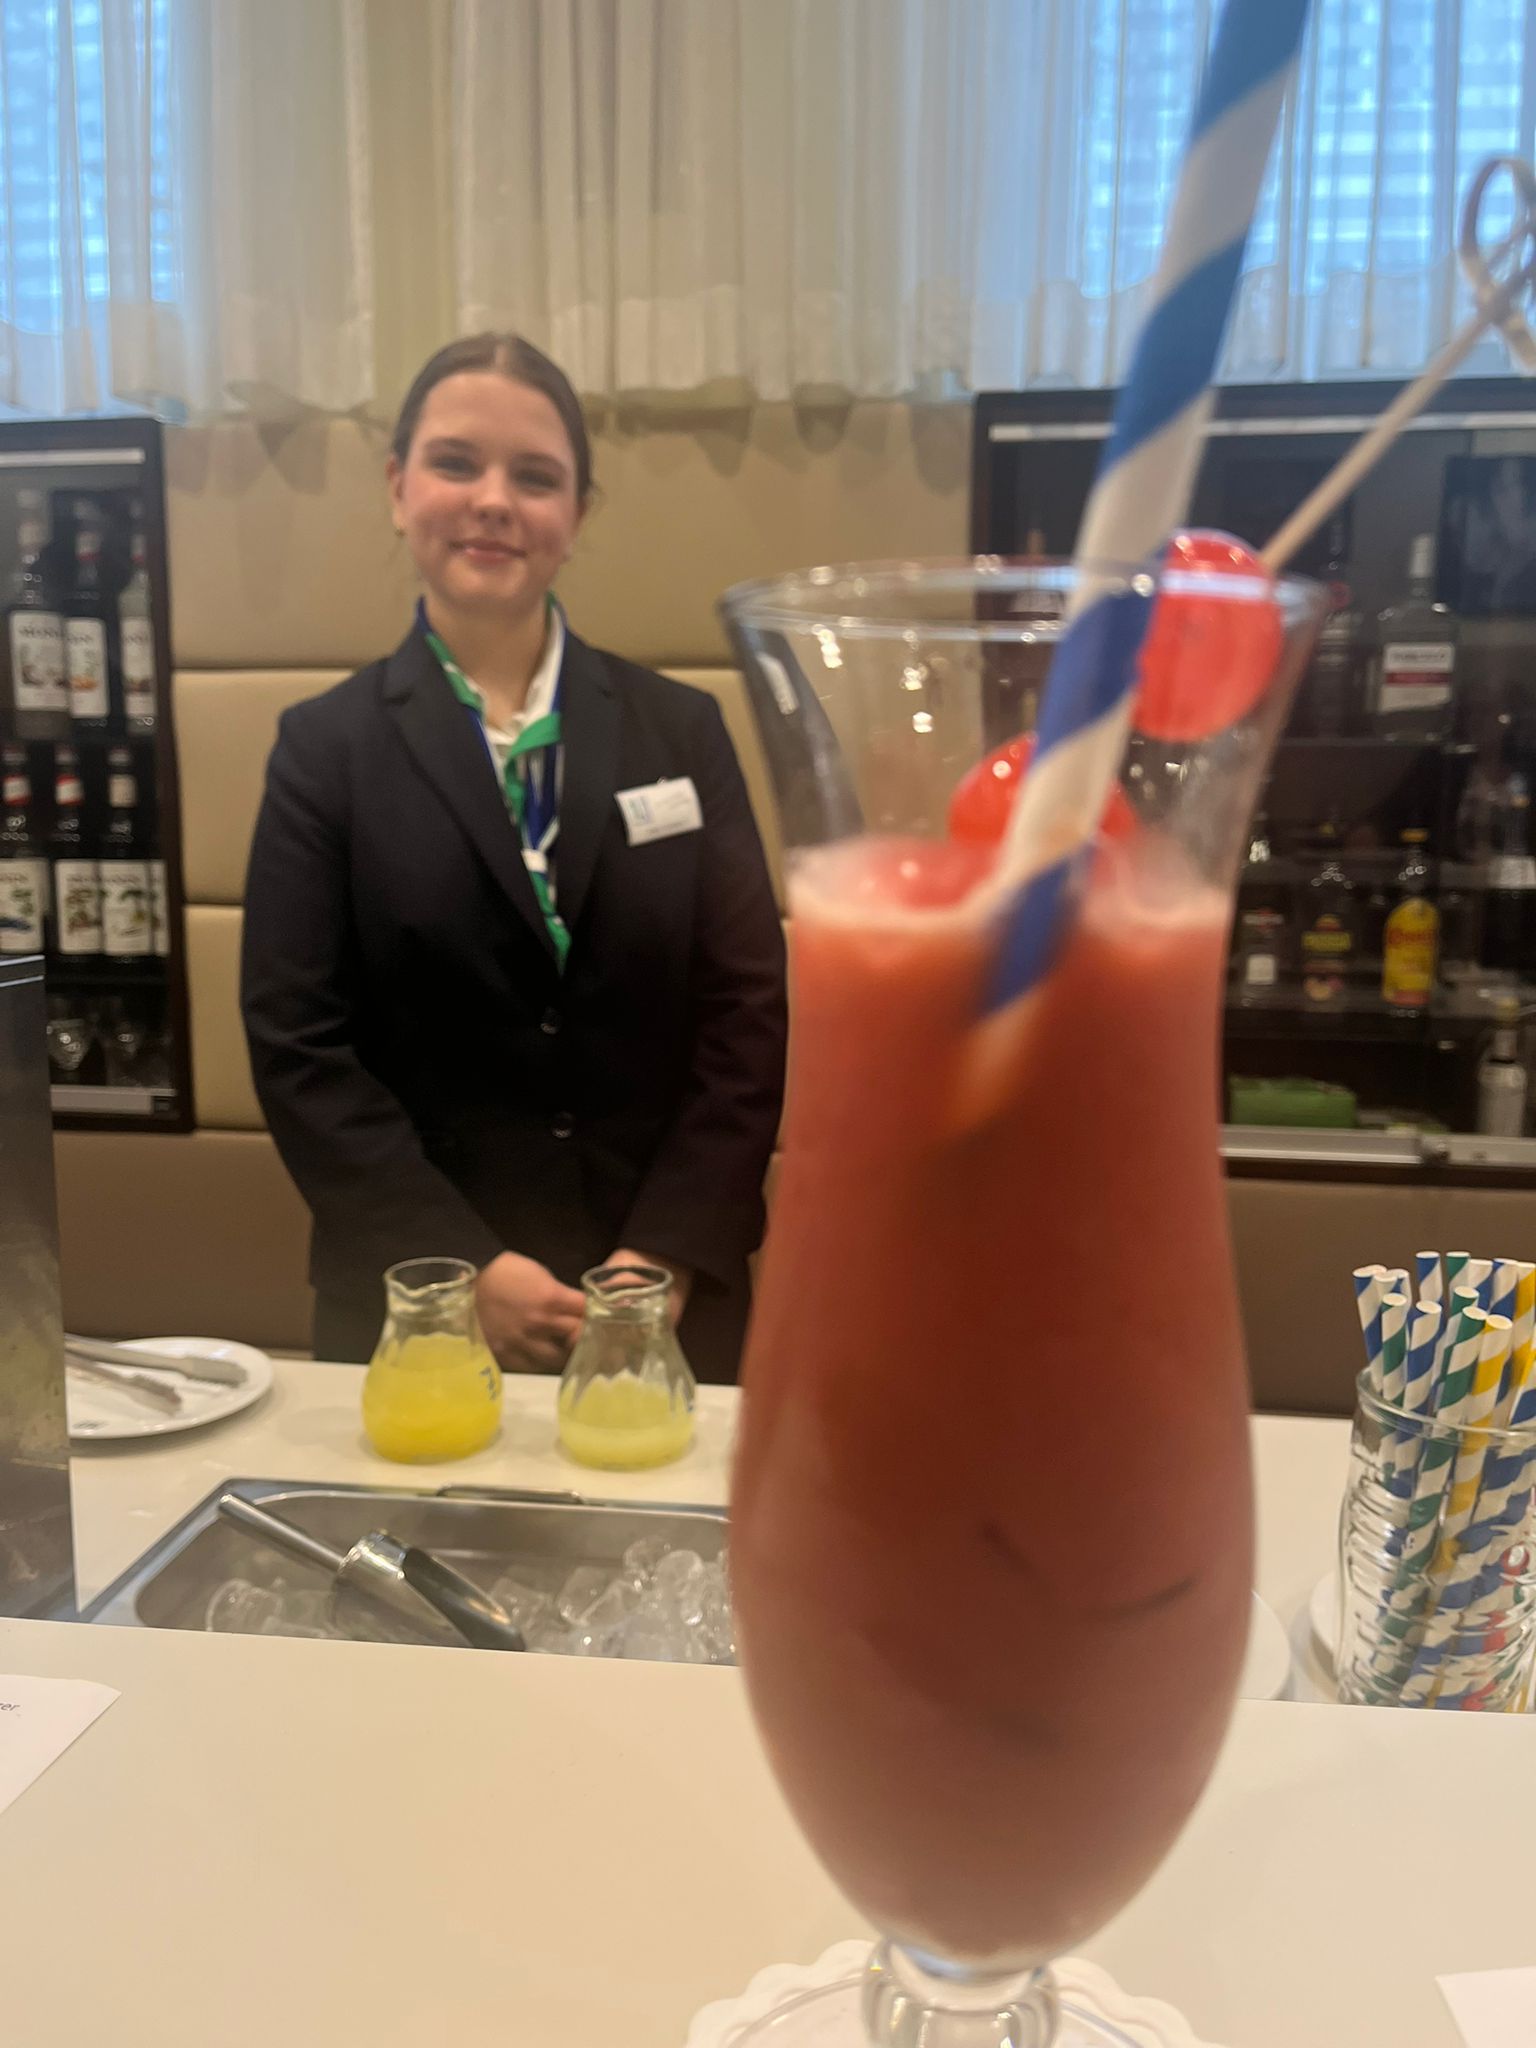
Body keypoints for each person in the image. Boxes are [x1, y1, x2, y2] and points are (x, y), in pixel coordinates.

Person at [241, 333, 787, 1382]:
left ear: (577, 515)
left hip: (661, 1306)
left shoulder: (682, 731)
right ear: (398, 488)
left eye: (535, 477)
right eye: (456, 463)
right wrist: (457, 1271)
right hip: (416, 1309)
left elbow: (745, 1010)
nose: (493, 501)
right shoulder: (323, 751)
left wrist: (666, 1252)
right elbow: (299, 1045)